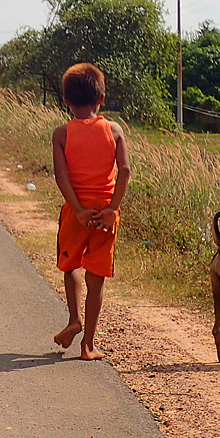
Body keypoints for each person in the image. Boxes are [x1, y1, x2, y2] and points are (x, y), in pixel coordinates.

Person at [50, 63, 131, 360]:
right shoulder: (115, 130)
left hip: (76, 214)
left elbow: (61, 176)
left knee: (71, 267)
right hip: (106, 215)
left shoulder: (61, 134)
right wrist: (112, 210)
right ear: (101, 98)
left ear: (67, 101)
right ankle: (88, 346)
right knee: (97, 276)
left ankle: (74, 319)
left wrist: (79, 211)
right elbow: (124, 170)